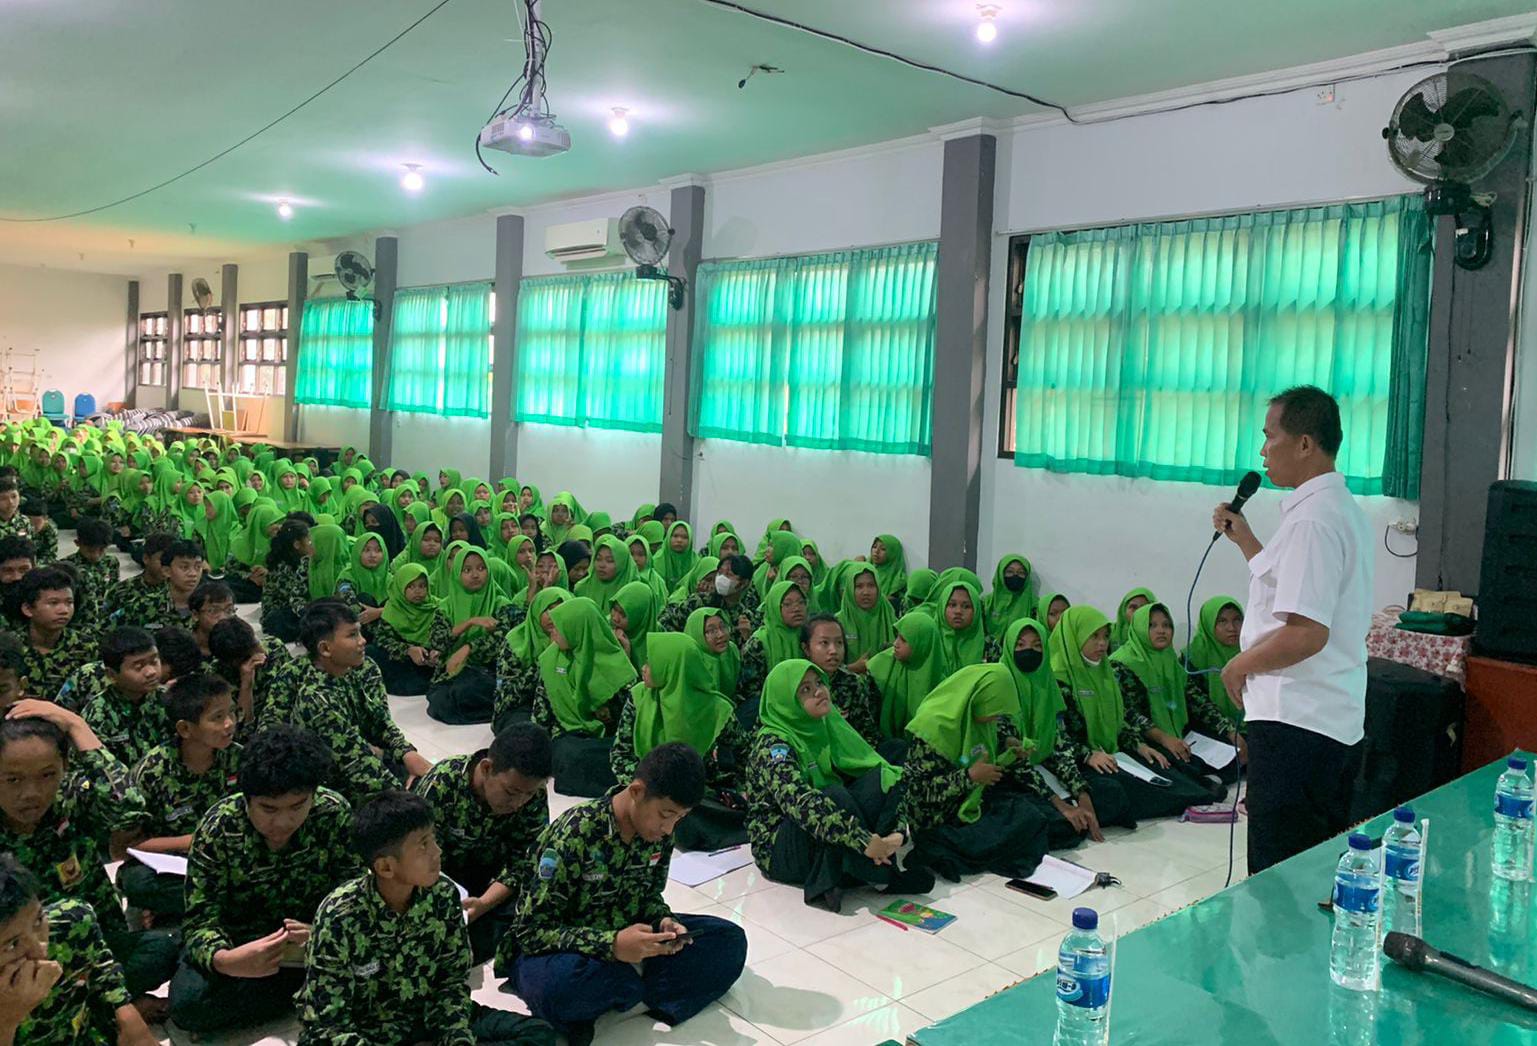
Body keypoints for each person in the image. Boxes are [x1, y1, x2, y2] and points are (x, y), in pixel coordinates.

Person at [1210, 385, 1372, 874]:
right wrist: (1248, 542)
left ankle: (1275, 951)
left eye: (1269, 436)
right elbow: (1290, 592)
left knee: (1280, 873)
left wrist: (1239, 665)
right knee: (1311, 867)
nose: (1262, 451)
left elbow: (1307, 632)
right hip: (1324, 717)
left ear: (1304, 443)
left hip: (1296, 722)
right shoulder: (1336, 509)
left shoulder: (1313, 522)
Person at [503, 743, 747, 1046]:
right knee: (562, 988)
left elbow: (648, 896)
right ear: (636, 791)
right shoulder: (576, 832)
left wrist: (663, 920)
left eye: (679, 819)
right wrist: (612, 945)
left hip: (626, 938)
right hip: (565, 951)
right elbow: (531, 932)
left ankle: (625, 988)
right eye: (665, 814)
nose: (669, 829)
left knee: (729, 940)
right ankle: (634, 986)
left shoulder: (657, 834)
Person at [297, 790, 554, 1046]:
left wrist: (456, 1038)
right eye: (423, 845)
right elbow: (326, 1023)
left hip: (429, 1018)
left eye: (433, 839)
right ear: (386, 866)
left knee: (538, 1034)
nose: (437, 851)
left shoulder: (443, 894)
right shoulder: (339, 915)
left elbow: (451, 981)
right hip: (370, 1033)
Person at [171, 725, 360, 1035]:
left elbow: (353, 894)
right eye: (268, 809)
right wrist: (225, 959)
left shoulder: (333, 813)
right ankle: (312, 995)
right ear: (246, 799)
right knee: (190, 1004)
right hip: (244, 942)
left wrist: (323, 935)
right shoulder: (219, 829)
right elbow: (200, 919)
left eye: (297, 807)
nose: (283, 822)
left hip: (312, 941)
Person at [0, 701, 180, 1004]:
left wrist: (77, 726)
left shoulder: (68, 800)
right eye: (13, 780)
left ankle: (96, 1003)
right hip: (21, 963)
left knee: (164, 950)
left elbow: (129, 807)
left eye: (47, 775)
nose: (31, 793)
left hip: (96, 948)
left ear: (64, 768)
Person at [745, 660, 932, 911]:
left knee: (884, 777)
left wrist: (898, 832)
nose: (819, 692)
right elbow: (801, 805)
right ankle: (879, 876)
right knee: (833, 794)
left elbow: (876, 768)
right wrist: (863, 840)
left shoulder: (827, 723)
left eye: (819, 683)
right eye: (805, 690)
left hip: (822, 827)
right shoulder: (773, 745)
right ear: (785, 702)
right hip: (779, 847)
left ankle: (866, 860)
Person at [1049, 606, 1217, 820]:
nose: (1102, 643)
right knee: (1119, 789)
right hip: (1076, 761)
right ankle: (1192, 797)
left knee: (1159, 763)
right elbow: (1058, 739)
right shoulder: (1058, 680)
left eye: (1106, 636)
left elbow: (1120, 720)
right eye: (1094, 636)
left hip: (1111, 752)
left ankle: (1198, 793)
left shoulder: (1104, 672)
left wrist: (1139, 745)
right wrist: (1089, 754)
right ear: (1075, 636)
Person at [261, 601, 431, 803]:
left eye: (359, 632)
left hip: (366, 757)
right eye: (352, 635)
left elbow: (380, 721)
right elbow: (357, 765)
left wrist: (406, 752)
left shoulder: (364, 667)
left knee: (425, 777)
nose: (363, 641)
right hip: (334, 783)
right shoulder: (315, 696)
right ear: (325, 648)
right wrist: (411, 800)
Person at [412, 721, 552, 963]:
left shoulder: (532, 794)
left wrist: (485, 903)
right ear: (487, 768)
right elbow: (417, 855)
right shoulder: (443, 784)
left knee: (540, 904)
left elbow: (526, 859)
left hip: (493, 880)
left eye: (528, 794)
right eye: (510, 793)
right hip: (443, 875)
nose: (519, 803)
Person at [899, 663, 1051, 882]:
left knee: (1032, 816)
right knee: (1018, 826)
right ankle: (939, 850)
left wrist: (1008, 746)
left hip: (971, 802)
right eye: (994, 711)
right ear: (980, 697)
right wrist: (969, 777)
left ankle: (955, 854)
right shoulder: (933, 728)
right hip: (938, 820)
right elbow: (917, 792)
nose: (995, 719)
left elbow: (980, 748)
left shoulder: (978, 714)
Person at [608, 633, 748, 851]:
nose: (644, 668)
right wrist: (647, 789)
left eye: (651, 663)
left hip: (698, 794)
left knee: (690, 815)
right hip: (650, 790)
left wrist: (743, 786)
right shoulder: (638, 697)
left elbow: (746, 752)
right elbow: (620, 754)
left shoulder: (715, 708)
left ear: (672, 667)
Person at [0, 855, 158, 1046]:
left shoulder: (71, 923)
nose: (40, 950)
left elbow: (106, 981)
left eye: (38, 921)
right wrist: (7, 1021)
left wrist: (129, 1019)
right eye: (11, 945)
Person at [121, 672, 241, 919]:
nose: (229, 724)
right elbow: (127, 846)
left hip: (228, 857)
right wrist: (191, 842)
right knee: (137, 881)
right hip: (174, 864)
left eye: (232, 713)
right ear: (185, 728)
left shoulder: (239, 758)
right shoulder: (152, 771)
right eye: (218, 718)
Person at [999, 619, 1126, 846]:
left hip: (1044, 767)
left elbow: (1060, 745)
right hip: (1010, 777)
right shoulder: (999, 688)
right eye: (1020, 645)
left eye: (1037, 646)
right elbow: (1016, 764)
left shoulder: (1047, 684)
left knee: (1111, 793)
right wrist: (1061, 804)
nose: (1029, 652)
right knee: (1045, 822)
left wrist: (1082, 795)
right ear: (1009, 648)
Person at [1110, 602, 1243, 784]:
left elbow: (1198, 701)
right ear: (1139, 628)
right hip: (1143, 739)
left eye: (1166, 625)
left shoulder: (1171, 660)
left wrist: (1229, 731)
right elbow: (1128, 714)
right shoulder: (1121, 663)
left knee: (1235, 750)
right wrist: (1164, 738)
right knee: (1178, 766)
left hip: (1178, 732)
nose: (1161, 631)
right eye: (1152, 625)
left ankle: (1209, 780)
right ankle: (1206, 782)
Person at [532, 597, 636, 798]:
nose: (552, 633)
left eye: (559, 628)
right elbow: (541, 716)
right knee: (570, 754)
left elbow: (630, 725)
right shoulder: (550, 660)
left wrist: (609, 713)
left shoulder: (617, 666)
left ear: (578, 629)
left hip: (605, 740)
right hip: (569, 737)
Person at [426, 546, 516, 724]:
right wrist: (469, 622)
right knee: (440, 700)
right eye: (467, 570)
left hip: (489, 671)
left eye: (481, 569)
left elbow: (502, 641)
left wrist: (468, 648)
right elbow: (437, 642)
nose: (475, 575)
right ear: (457, 573)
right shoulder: (446, 606)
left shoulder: (501, 603)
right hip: (453, 670)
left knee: (469, 689)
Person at [73, 626, 169, 766]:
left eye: (154, 662)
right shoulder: (98, 713)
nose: (151, 672)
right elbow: (95, 767)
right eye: (138, 667)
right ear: (112, 675)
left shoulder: (168, 699)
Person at [866, 611, 947, 759]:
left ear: (921, 644)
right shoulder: (880, 664)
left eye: (903, 640)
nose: (895, 644)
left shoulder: (940, 682)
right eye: (897, 637)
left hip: (921, 753)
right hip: (879, 746)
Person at [799, 612, 882, 748]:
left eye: (839, 643)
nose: (833, 650)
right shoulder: (797, 681)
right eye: (824, 643)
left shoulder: (852, 682)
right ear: (806, 648)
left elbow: (866, 733)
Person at [493, 587, 569, 734]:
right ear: (536, 611)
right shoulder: (516, 641)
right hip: (522, 707)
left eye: (560, 611)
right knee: (525, 734)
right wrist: (547, 656)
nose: (553, 616)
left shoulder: (574, 639)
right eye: (547, 610)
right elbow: (508, 696)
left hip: (562, 708)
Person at [15, 567, 95, 702]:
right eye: (53, 603)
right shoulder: (10, 646)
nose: (64, 610)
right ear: (28, 609)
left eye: (69, 602)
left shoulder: (86, 647)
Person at [733, 580, 808, 724]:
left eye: (801, 602)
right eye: (788, 604)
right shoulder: (759, 643)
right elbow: (751, 692)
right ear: (774, 606)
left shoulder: (808, 636)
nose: (796, 608)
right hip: (766, 706)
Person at [208, 615, 290, 736]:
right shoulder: (216, 676)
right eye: (251, 653)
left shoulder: (274, 647)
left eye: (256, 643)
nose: (262, 652)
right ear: (233, 662)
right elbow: (242, 727)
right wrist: (246, 684)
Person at [369, 562, 439, 696]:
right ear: (401, 587)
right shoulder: (393, 609)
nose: (418, 591)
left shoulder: (436, 607)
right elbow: (382, 640)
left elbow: (443, 636)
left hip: (427, 663)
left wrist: (434, 653)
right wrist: (407, 650)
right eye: (411, 586)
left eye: (422, 586)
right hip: (402, 658)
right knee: (372, 652)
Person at [656, 553, 759, 639]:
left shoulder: (745, 617)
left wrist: (746, 636)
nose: (721, 578)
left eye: (728, 575)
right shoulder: (699, 601)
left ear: (743, 583)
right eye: (720, 573)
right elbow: (666, 622)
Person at [1183, 595, 1248, 730]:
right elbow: (1195, 702)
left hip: (1252, 726)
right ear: (1208, 624)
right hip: (1211, 730)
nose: (1231, 628)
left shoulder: (1252, 651)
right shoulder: (1192, 658)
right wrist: (1227, 730)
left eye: (1237, 620)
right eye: (1222, 621)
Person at [104, 532, 175, 626]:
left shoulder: (176, 592)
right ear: (146, 558)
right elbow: (106, 624)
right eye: (162, 560)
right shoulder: (122, 590)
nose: (167, 566)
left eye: (172, 561)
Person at [60, 516, 118, 630]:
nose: (96, 555)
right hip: (79, 623)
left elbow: (114, 590)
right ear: (77, 543)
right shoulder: (66, 567)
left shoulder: (111, 562)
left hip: (106, 619)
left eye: (101, 550)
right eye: (90, 551)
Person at [260, 518, 312, 641]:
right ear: (297, 545)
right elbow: (294, 597)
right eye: (309, 540)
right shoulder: (282, 567)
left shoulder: (301, 561)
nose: (311, 543)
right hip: (283, 611)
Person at [836, 564, 896, 671]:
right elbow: (826, 668)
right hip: (847, 684)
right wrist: (853, 668)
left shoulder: (889, 616)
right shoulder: (836, 622)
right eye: (859, 586)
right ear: (850, 589)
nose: (866, 592)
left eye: (871, 585)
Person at [144, 538, 206, 631]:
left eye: (198, 567)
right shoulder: (145, 606)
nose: (193, 573)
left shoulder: (210, 608)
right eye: (184, 567)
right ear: (167, 571)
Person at [982, 554, 1036, 638]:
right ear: (1001, 574)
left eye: (1021, 572)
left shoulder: (1035, 605)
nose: (1015, 576)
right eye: (1010, 572)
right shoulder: (986, 603)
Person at [187, 579, 236, 660]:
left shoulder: (238, 640)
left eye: (229, 610)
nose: (223, 617)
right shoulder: (183, 644)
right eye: (213, 611)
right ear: (195, 615)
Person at [1109, 587, 1157, 652]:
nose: (1138, 612)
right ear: (1124, 610)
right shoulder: (1107, 633)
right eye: (1133, 607)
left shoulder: (1159, 634)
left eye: (1144, 608)